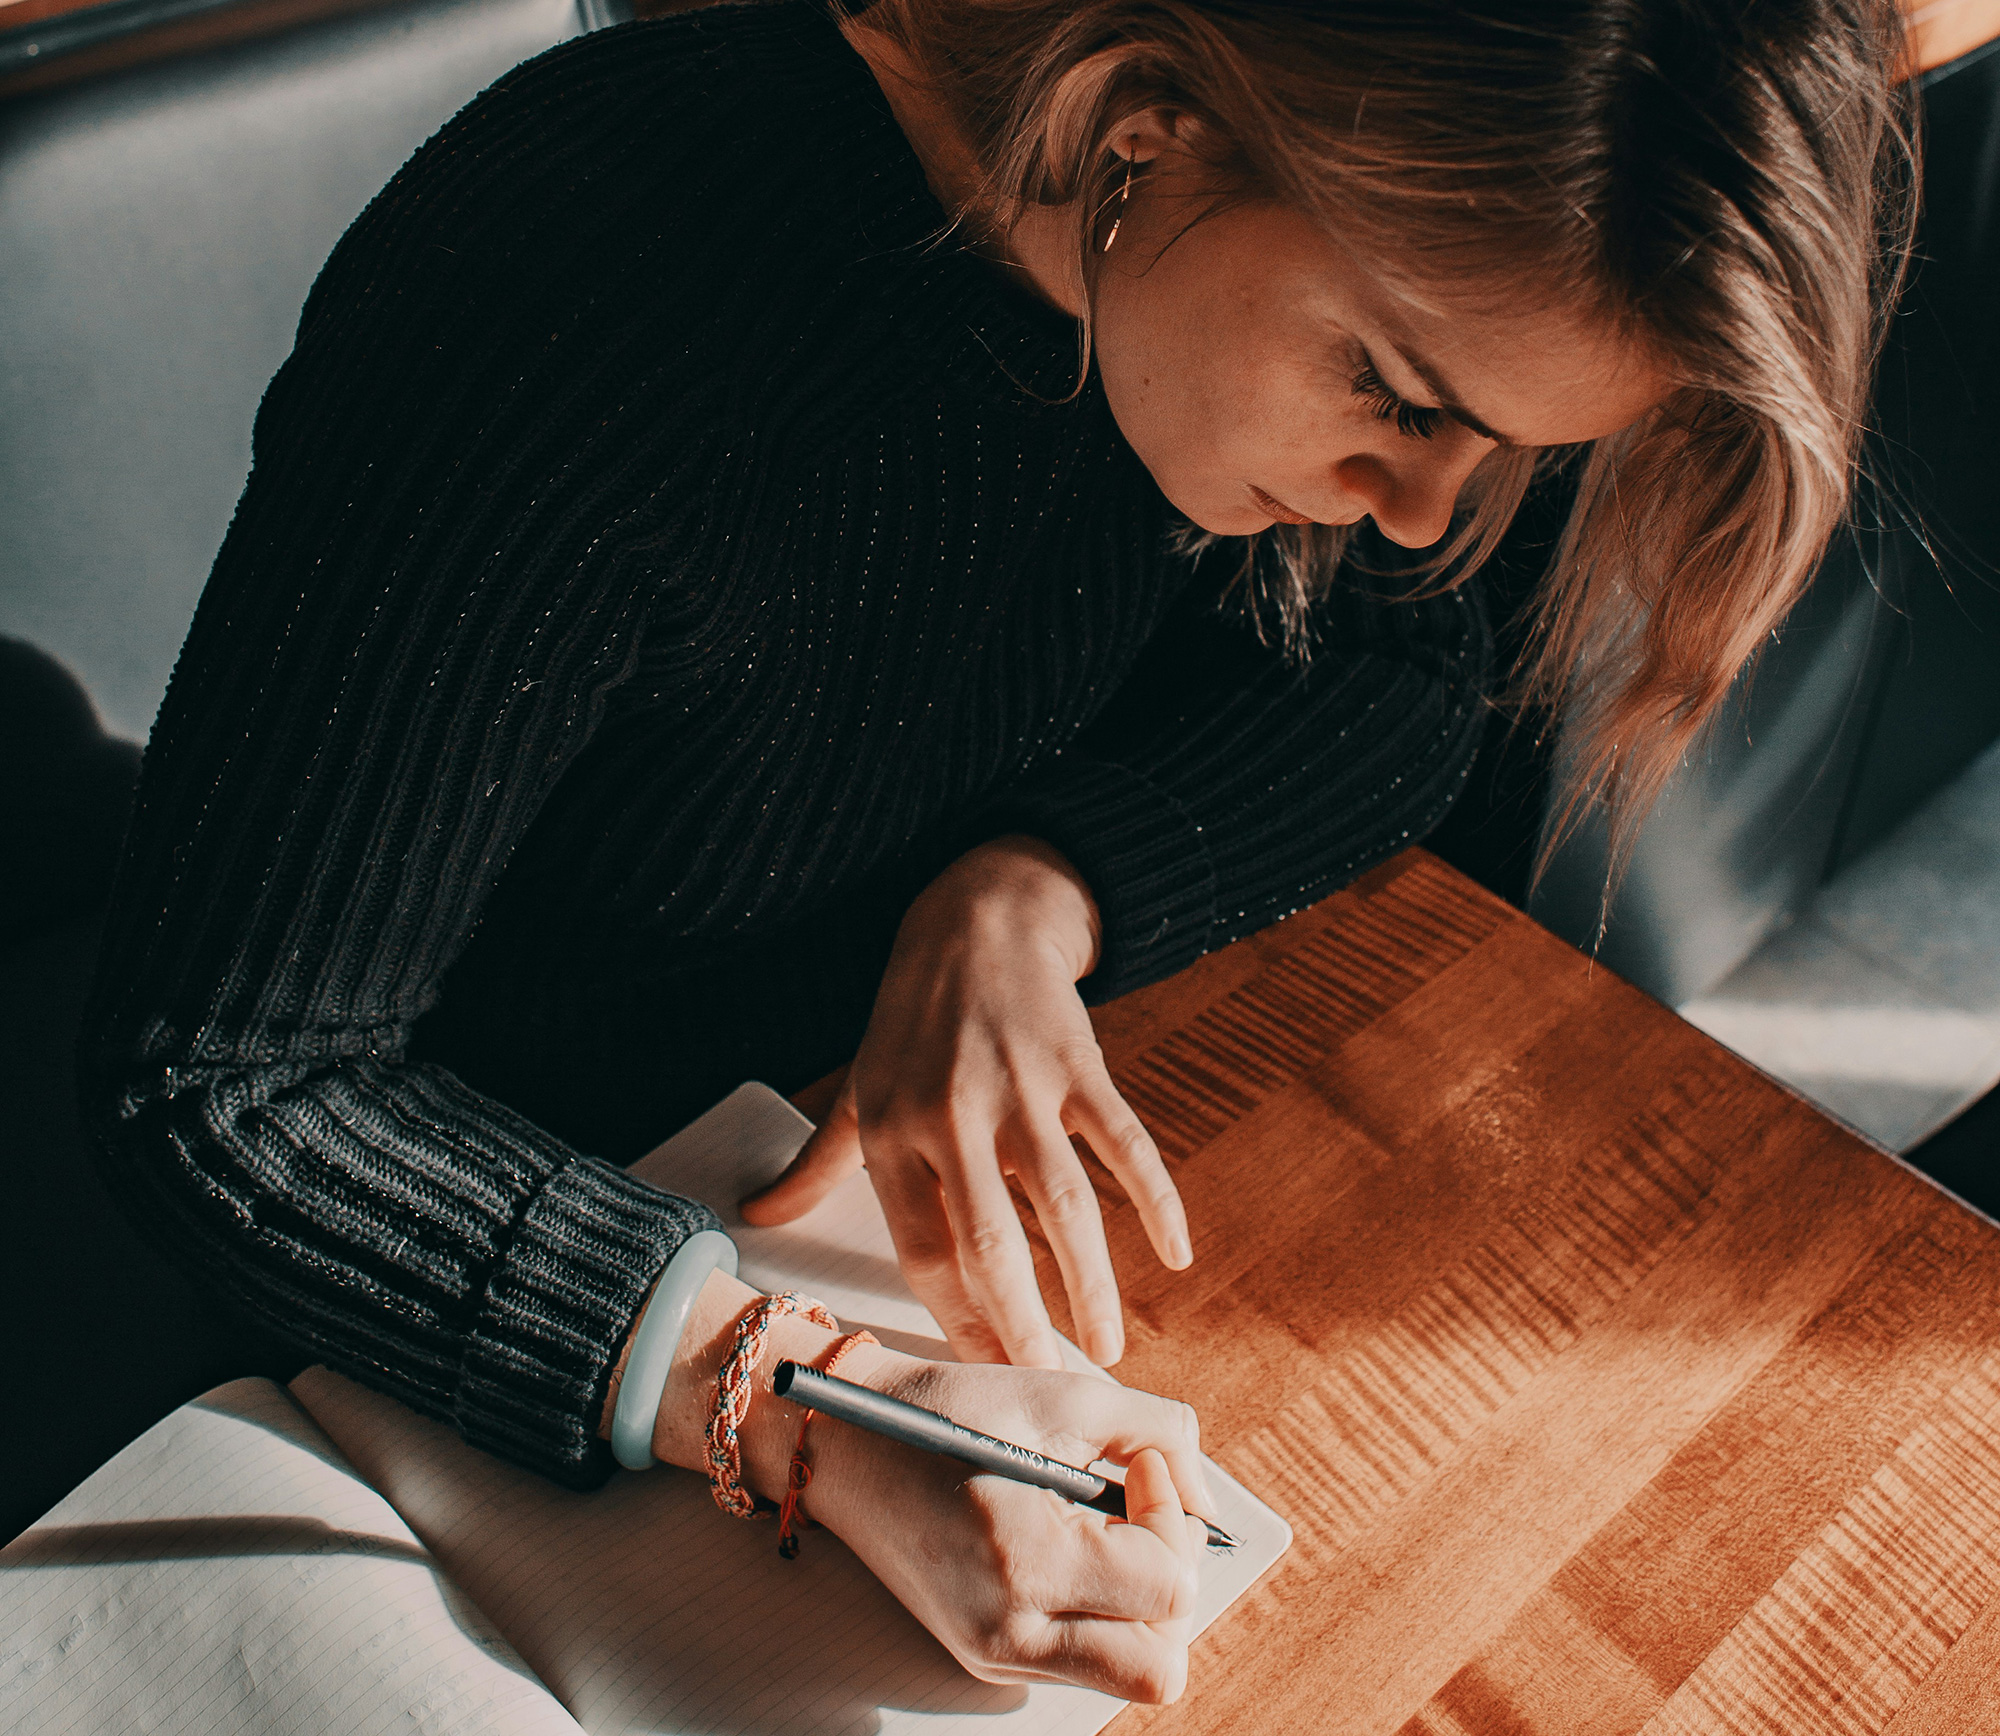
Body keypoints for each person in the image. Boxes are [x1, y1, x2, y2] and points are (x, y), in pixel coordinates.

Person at [80, 0, 1916, 1700]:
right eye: (1403, 396)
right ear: (1145, 124)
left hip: (789, 1181)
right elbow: (230, 1081)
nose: (1428, 512)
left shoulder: (1202, 296)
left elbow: (1403, 668)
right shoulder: (582, 279)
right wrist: (788, 1396)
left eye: (1500, 448)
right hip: (395, 1282)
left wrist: (1029, 894)